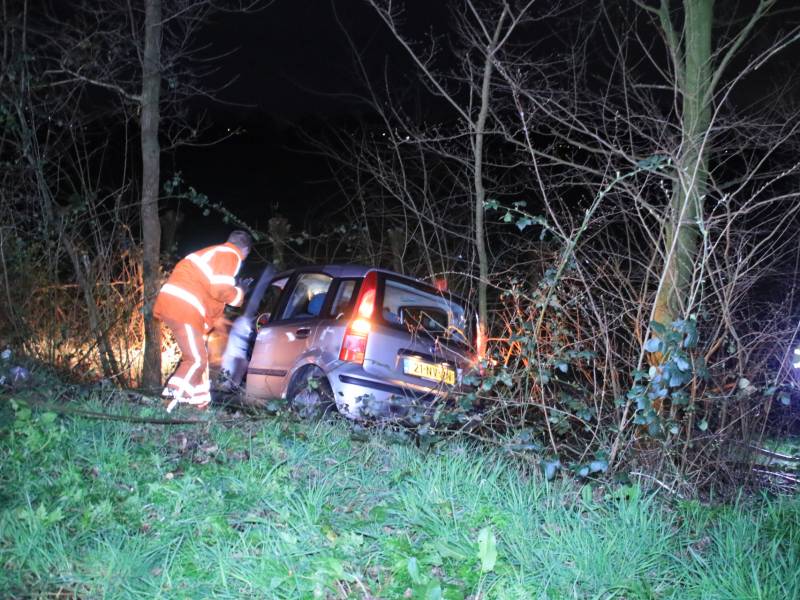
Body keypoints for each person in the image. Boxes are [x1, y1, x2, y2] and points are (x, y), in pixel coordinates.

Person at [153, 230, 253, 412]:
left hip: (179, 305)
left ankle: (200, 406)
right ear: (245, 250)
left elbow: (213, 298)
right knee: (196, 360)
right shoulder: (230, 254)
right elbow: (220, 290)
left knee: (201, 360)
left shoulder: (213, 254)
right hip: (185, 306)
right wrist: (239, 293)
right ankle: (168, 404)